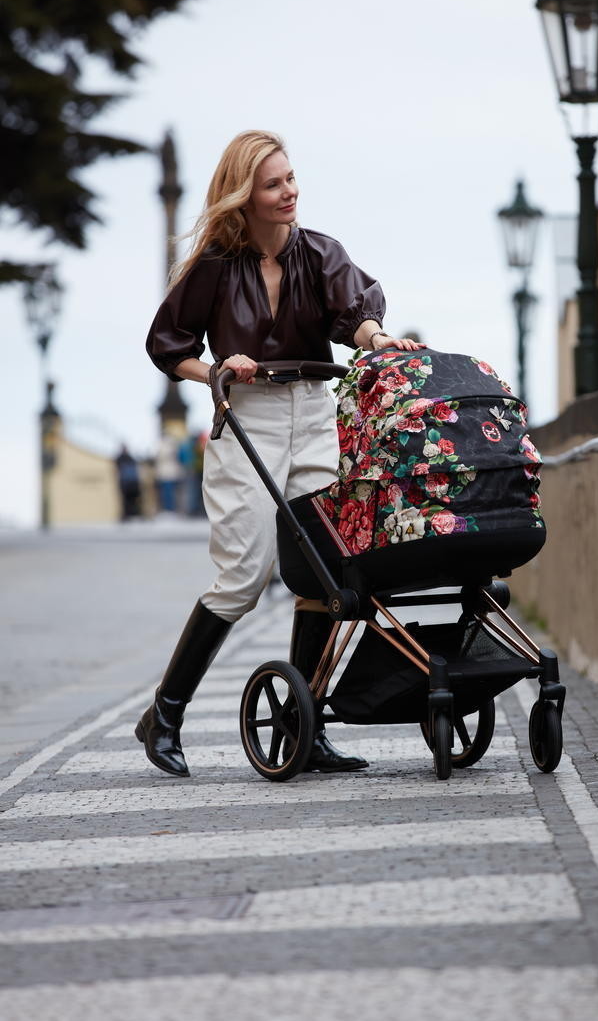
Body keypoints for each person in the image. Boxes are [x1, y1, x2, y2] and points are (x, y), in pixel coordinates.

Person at [139, 129, 422, 777]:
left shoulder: (320, 252)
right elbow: (168, 345)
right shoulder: (215, 265)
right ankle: (165, 714)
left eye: (290, 178)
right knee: (244, 575)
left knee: (322, 570)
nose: (289, 191)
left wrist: (378, 339)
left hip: (315, 413)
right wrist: (216, 370)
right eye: (273, 184)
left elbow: (355, 315)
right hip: (249, 417)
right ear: (245, 195)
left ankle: (304, 725)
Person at [114, 444, 141, 521]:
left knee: (131, 500)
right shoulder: (125, 458)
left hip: (129, 482)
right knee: (127, 500)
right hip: (128, 482)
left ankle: (132, 514)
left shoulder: (127, 458)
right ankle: (129, 514)